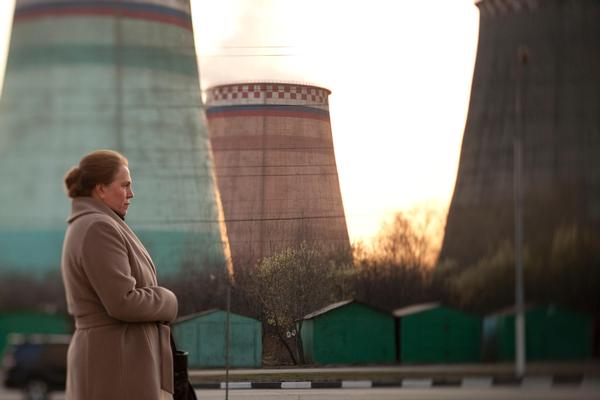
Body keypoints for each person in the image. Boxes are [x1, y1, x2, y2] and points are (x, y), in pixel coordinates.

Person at [61, 149, 178, 400]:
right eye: (124, 185)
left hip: (115, 360)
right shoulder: (98, 227)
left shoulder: (97, 223)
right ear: (101, 189)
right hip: (115, 364)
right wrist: (168, 300)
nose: (131, 193)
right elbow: (123, 302)